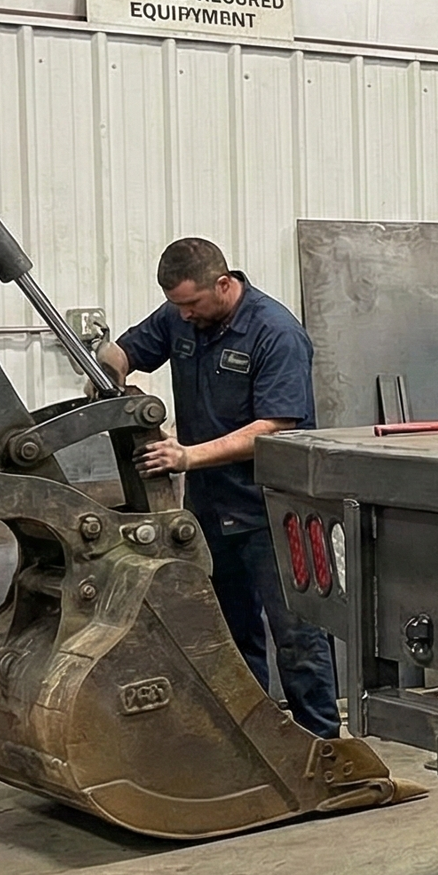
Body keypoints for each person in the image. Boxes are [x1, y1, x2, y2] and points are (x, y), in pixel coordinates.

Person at [96, 237, 341, 741]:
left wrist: (186, 456)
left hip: (274, 509)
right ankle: (256, 742)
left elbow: (274, 426)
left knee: (296, 632)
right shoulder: (180, 317)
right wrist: (109, 375)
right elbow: (121, 351)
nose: (183, 315)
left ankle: (322, 744)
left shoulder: (276, 334)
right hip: (211, 509)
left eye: (191, 303)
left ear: (224, 284)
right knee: (229, 630)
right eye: (176, 305)